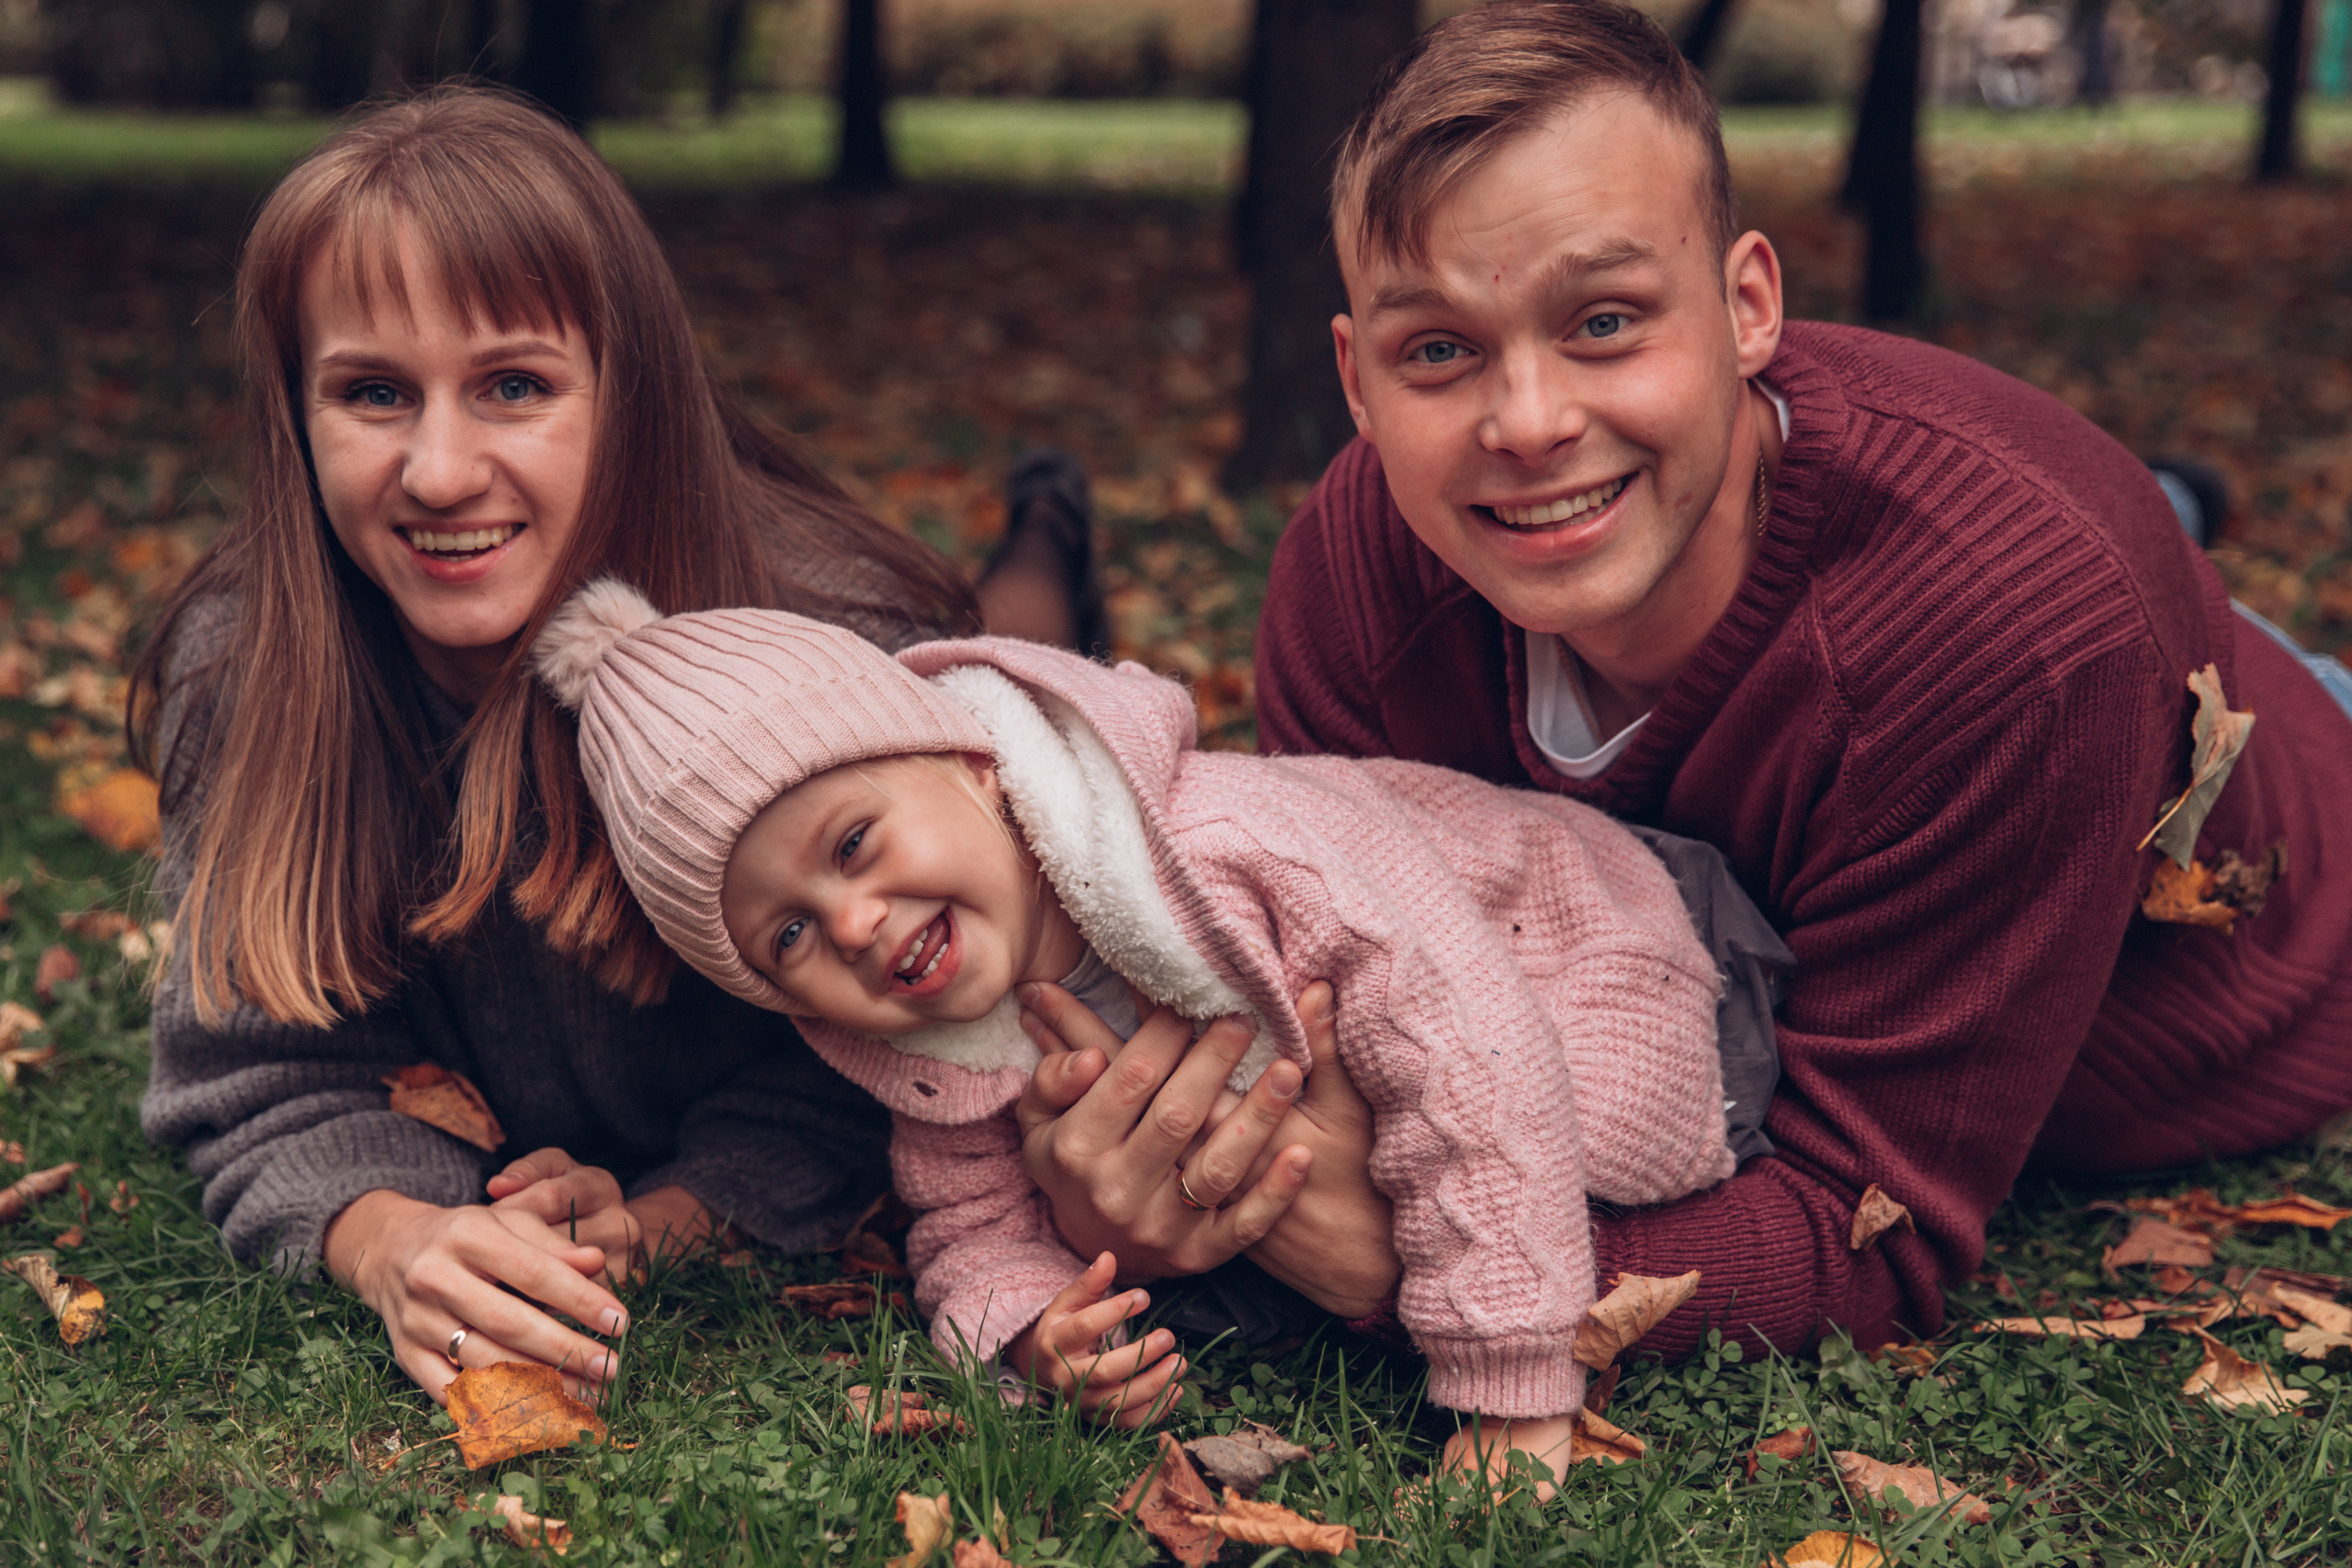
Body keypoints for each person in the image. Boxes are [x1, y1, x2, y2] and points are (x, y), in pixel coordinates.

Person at [1010, 0, 2352, 1426]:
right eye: (1439, 353)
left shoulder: (2020, 637)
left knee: (2087, 561)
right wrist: (1164, 1175)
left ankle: (2172, 526)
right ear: (1355, 380)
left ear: (1749, 305)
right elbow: (1341, 1052)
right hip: (1951, 647)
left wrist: (1399, 1265)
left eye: (1603, 322)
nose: (1524, 421)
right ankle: (2170, 504)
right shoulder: (1354, 574)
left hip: (2266, 875)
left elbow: (1867, 1223)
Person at [128, 86, 1102, 1405]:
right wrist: (397, 1237)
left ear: (628, 394)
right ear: (297, 417)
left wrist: (674, 1214)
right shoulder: (246, 669)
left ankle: (1048, 530)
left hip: (942, 642)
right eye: (371, 394)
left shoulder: (839, 636)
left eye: (515, 385)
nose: (438, 471)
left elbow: (918, 1063)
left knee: (1019, 632)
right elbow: (258, 1079)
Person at [528, 578, 1781, 1473]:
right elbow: (962, 1229)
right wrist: (1030, 1334)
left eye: (854, 843)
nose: (853, 923)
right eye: (790, 937)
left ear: (968, 764)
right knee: (1199, 1278)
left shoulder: (1220, 852)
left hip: (1591, 938)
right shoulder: (934, 1055)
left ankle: (1515, 1288)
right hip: (1374, 1072)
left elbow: (1474, 1052)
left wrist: (1509, 1387)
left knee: (1572, 1130)